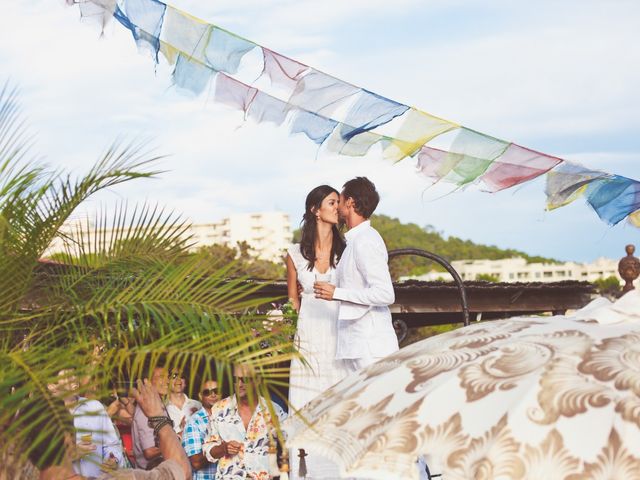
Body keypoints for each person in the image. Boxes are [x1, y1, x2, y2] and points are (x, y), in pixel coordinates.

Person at [285, 185, 350, 478]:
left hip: (339, 330)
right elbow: (292, 301)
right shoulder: (295, 254)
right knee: (308, 399)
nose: (337, 207)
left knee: (341, 397)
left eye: (338, 203)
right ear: (315, 209)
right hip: (310, 333)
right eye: (332, 202)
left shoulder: (346, 250)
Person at [26, 378, 192, 480]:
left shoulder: (93, 407)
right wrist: (159, 417)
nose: (72, 380)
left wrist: (112, 459)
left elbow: (113, 447)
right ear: (68, 437)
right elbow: (181, 474)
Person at [314, 176, 399, 371]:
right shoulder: (355, 241)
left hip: (371, 348)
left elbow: (385, 294)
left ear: (350, 202)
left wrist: (336, 293)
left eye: (340, 200)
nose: (337, 206)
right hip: (356, 346)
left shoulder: (366, 241)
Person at [203, 365, 286, 480]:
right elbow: (208, 450)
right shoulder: (219, 409)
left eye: (245, 380)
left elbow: (290, 442)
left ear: (257, 381)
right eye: (236, 380)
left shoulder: (274, 410)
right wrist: (224, 448)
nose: (240, 384)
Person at [47, 369, 127, 478]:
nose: (74, 379)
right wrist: (71, 455)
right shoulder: (45, 417)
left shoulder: (95, 407)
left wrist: (114, 459)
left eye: (74, 374)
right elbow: (40, 461)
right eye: (67, 377)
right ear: (52, 386)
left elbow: (112, 445)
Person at [181, 379, 220, 479]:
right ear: (200, 396)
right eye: (207, 392)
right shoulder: (194, 423)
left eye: (216, 391)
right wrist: (220, 450)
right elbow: (196, 462)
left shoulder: (231, 417)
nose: (213, 395)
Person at [133, 366, 170, 470]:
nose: (168, 381)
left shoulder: (158, 406)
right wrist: (178, 439)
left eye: (168, 377)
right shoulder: (145, 410)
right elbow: (149, 452)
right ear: (147, 382)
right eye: (162, 377)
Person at [166, 372, 202, 438]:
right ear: (167, 381)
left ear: (185, 382)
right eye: (174, 376)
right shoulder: (163, 408)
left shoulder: (197, 405)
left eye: (182, 376)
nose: (178, 380)